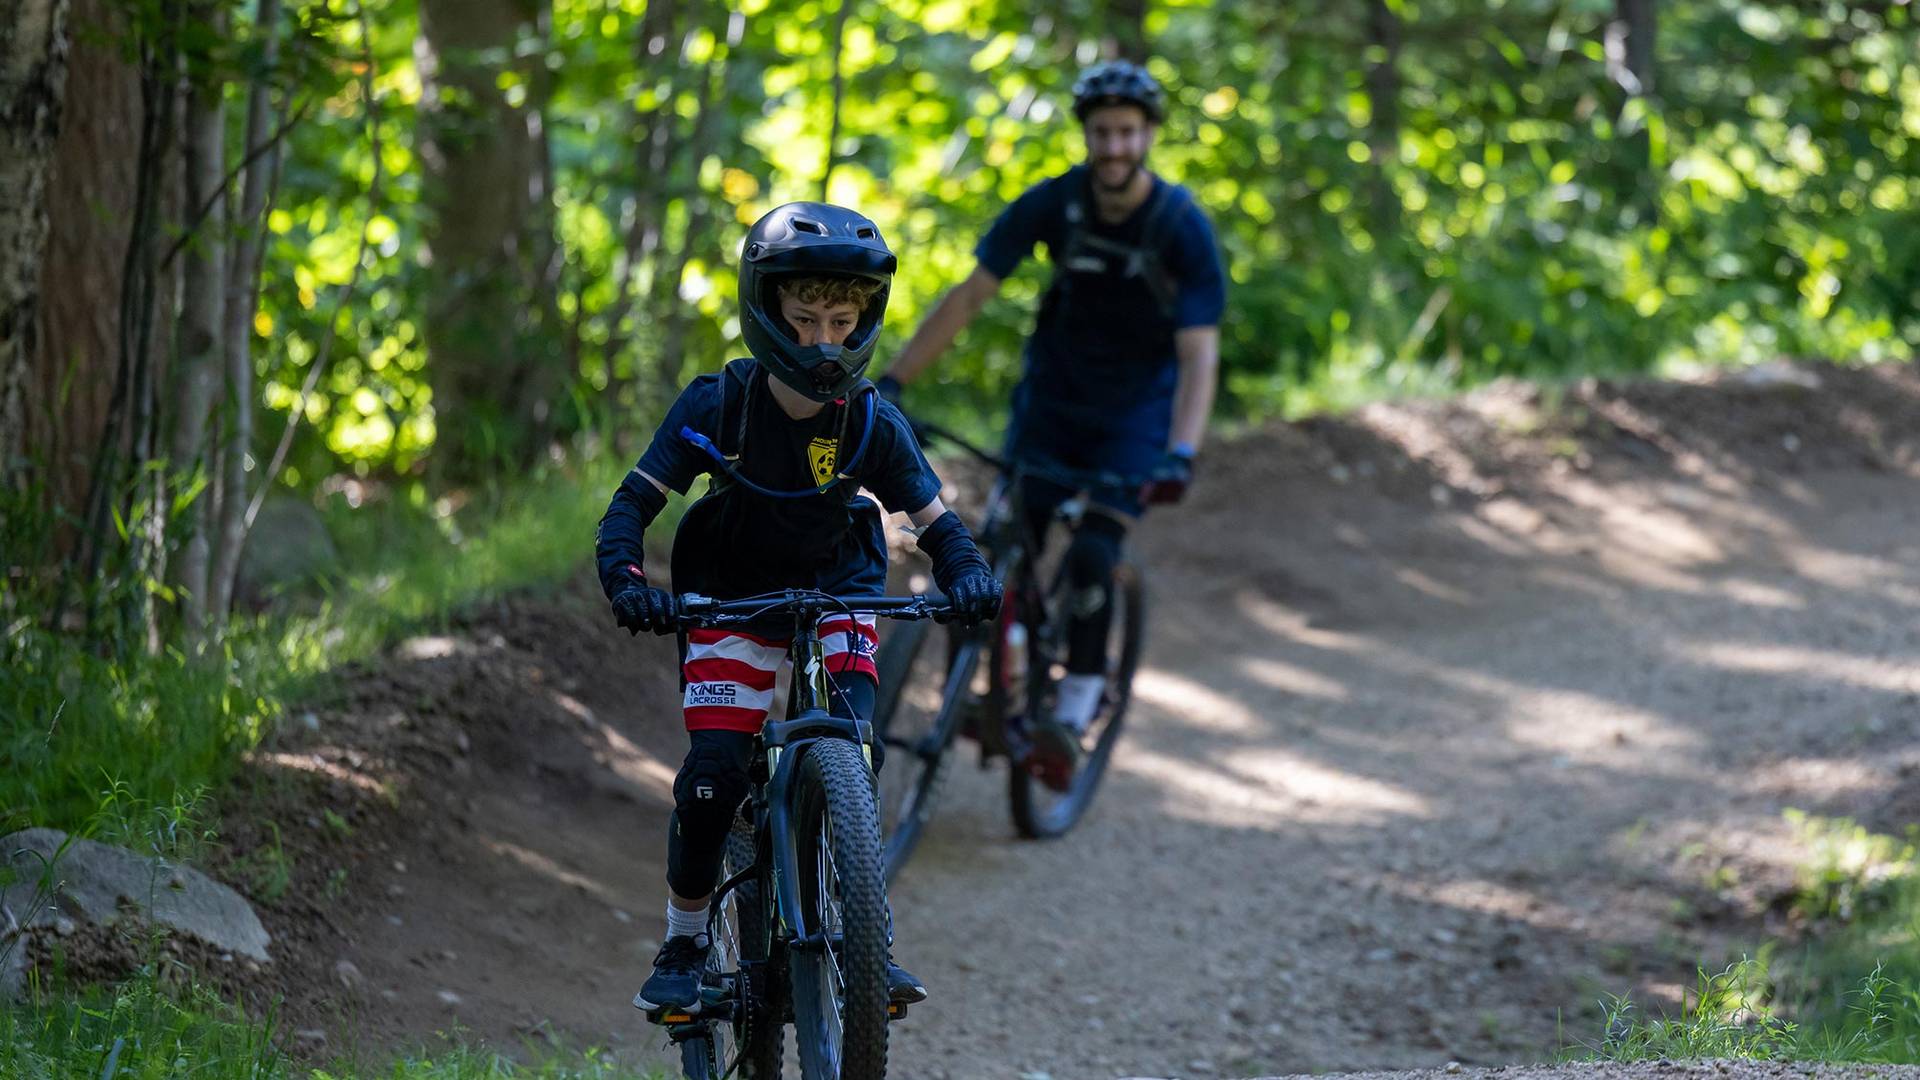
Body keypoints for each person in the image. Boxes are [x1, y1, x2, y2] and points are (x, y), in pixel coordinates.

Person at [596, 201, 1001, 1015]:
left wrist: (965, 567)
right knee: (711, 781)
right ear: (766, 309)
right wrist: (628, 580)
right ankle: (682, 939)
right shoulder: (718, 405)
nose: (824, 340)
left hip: (839, 586)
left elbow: (935, 524)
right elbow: (630, 507)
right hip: (730, 594)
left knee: (857, 755)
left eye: (842, 321)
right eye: (806, 318)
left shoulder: (870, 420)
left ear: (865, 321)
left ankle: (864, 939)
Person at [878, 60, 1226, 789]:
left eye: (1129, 133)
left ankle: (1071, 714)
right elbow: (971, 294)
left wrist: (1181, 452)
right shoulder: (1055, 204)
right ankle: (992, 691)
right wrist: (895, 381)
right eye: (1102, 132)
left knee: (1096, 557)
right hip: (1050, 406)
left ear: (1149, 137)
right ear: (1086, 135)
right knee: (997, 556)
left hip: (1134, 421)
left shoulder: (1181, 228)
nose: (1115, 147)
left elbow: (1198, 355)